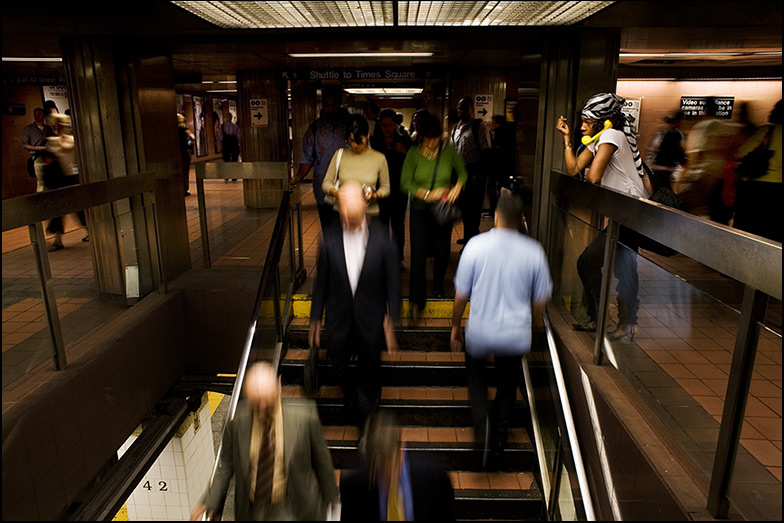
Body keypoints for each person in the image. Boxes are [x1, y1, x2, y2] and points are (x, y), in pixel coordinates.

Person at [450, 189, 552, 467]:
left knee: (477, 380)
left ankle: (482, 426)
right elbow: (541, 300)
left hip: (480, 332)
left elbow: (461, 295)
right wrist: (528, 321)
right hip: (515, 334)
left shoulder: (475, 246)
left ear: (495, 217)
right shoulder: (534, 251)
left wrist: (455, 326)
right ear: (520, 220)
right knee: (508, 386)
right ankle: (499, 442)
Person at [556, 92, 654, 341]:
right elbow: (574, 168)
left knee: (592, 263)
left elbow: (593, 176)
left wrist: (592, 147)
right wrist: (568, 139)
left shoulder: (611, 136)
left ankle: (611, 320)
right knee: (624, 268)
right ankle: (614, 321)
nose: (582, 125)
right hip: (622, 213)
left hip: (632, 212)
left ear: (603, 120)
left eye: (587, 120)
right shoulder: (601, 138)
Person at [190, 361, 338, 521]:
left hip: (293, 508)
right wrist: (210, 500)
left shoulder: (304, 418)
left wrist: (331, 497)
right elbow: (226, 464)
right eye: (255, 404)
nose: (261, 412)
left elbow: (322, 462)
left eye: (267, 404)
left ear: (278, 387)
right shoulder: (238, 421)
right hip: (253, 511)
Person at [309, 180, 401, 429]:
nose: (348, 221)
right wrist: (315, 318)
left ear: (364, 205)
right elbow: (322, 283)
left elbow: (393, 283)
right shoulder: (328, 239)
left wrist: (392, 320)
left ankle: (367, 424)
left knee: (369, 374)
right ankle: (352, 396)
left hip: (370, 320)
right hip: (339, 320)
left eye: (353, 214)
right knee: (338, 371)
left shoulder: (383, 238)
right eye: (344, 214)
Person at [401, 113, 467, 322]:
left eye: (435, 139)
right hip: (420, 210)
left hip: (442, 210)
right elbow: (405, 182)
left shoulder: (449, 151)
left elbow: (463, 173)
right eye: (428, 139)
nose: (431, 144)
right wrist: (427, 194)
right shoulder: (413, 153)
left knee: (442, 249)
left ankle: (439, 287)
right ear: (421, 137)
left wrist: (457, 186)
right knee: (418, 255)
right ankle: (416, 302)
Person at [339, 410, 456, 521]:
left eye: (389, 467)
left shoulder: (433, 476)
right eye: (377, 471)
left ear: (401, 451)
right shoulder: (352, 486)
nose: (385, 481)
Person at [674, 96, 740, 224]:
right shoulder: (730, 127)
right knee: (719, 218)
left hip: (704, 176)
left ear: (705, 110)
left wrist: (684, 177)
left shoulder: (703, 126)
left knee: (692, 213)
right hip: (723, 178)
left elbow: (695, 155)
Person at [293, 85, 351, 229]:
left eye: (333, 105)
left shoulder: (350, 125)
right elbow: (307, 158)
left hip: (348, 187)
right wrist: (297, 177)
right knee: (328, 227)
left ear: (340, 103)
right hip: (323, 187)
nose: (330, 109)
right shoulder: (315, 128)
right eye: (326, 105)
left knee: (348, 230)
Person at [732, 99, 782, 242]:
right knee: (772, 230)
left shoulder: (767, 131)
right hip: (779, 191)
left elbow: (740, 153)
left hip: (756, 187)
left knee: (748, 227)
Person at [322, 114, 391, 217]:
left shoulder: (379, 158)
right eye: (352, 141)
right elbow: (326, 183)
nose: (355, 145)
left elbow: (386, 188)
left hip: (369, 214)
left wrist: (374, 195)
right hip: (342, 214)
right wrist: (337, 193)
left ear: (367, 135)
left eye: (360, 141)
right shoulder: (339, 155)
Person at [370, 108, 413, 269]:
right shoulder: (375, 143)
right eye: (384, 125)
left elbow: (417, 163)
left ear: (395, 125)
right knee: (380, 225)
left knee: (397, 225)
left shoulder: (404, 141)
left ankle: (397, 258)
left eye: (390, 125)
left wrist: (406, 152)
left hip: (399, 190)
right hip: (380, 190)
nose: (387, 128)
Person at [450, 97, 492, 246]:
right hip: (459, 173)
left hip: (474, 172)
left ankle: (471, 239)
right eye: (459, 109)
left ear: (471, 109)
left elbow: (486, 152)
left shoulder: (479, 127)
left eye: (464, 108)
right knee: (463, 207)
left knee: (473, 209)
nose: (461, 112)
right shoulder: (456, 128)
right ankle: (467, 236)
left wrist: (479, 174)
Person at [646, 110, 686, 191]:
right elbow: (679, 154)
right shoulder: (674, 134)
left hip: (659, 170)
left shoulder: (667, 134)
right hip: (665, 171)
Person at [21, 107, 54, 191]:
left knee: (51, 182)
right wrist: (39, 148)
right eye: (35, 114)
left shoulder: (48, 128)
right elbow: (25, 145)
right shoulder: (28, 129)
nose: (37, 116)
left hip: (49, 157)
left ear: (43, 115)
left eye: (39, 114)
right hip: (37, 157)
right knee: (41, 182)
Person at [178, 113, 195, 196]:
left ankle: (179, 188)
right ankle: (185, 189)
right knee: (185, 171)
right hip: (184, 152)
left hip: (177, 153)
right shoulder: (184, 129)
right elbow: (192, 137)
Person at [220, 114, 241, 182]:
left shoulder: (222, 126)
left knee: (226, 160)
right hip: (233, 143)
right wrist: (238, 144)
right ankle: (234, 176)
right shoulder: (235, 126)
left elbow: (221, 137)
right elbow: (238, 136)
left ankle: (227, 176)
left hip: (226, 144)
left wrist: (222, 144)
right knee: (234, 160)